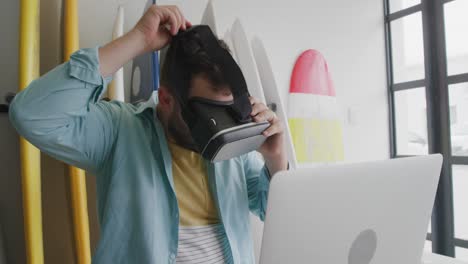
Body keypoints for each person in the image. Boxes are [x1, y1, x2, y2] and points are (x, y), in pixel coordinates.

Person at [9, 4, 287, 264]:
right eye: (208, 115)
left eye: (227, 111)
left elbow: (270, 210)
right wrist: (137, 41)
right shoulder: (119, 131)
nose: (220, 127)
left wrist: (275, 159)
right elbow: (33, 115)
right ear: (166, 99)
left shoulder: (231, 140)